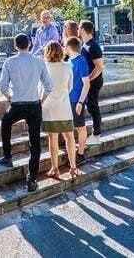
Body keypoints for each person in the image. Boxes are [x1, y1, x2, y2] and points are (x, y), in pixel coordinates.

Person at [0, 33, 52, 192]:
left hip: (17, 104)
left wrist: (10, 97)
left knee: (5, 123)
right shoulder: (39, 61)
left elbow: (3, 87)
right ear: (29, 44)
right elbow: (49, 86)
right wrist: (41, 101)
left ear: (15, 46)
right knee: (34, 143)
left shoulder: (9, 62)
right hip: (34, 105)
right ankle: (31, 179)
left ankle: (7, 157)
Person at [41, 42, 83, 179]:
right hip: (64, 106)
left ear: (47, 52)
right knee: (70, 137)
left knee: (52, 139)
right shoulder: (67, 66)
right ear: (61, 51)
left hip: (49, 107)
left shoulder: (44, 67)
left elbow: (40, 89)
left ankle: (55, 168)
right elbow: (70, 87)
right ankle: (73, 167)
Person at [64, 36, 91, 166]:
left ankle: (80, 154)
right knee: (72, 127)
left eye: (65, 46)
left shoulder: (81, 61)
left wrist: (81, 102)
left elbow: (86, 84)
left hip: (76, 100)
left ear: (69, 47)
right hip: (68, 99)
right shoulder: (69, 60)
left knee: (80, 127)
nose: (64, 48)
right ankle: (73, 149)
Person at [78, 20, 105, 146]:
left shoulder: (92, 46)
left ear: (83, 29)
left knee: (93, 107)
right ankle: (95, 133)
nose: (77, 30)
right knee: (91, 106)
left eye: (79, 28)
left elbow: (99, 67)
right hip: (90, 82)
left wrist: (88, 79)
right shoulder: (86, 45)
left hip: (94, 82)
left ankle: (96, 135)